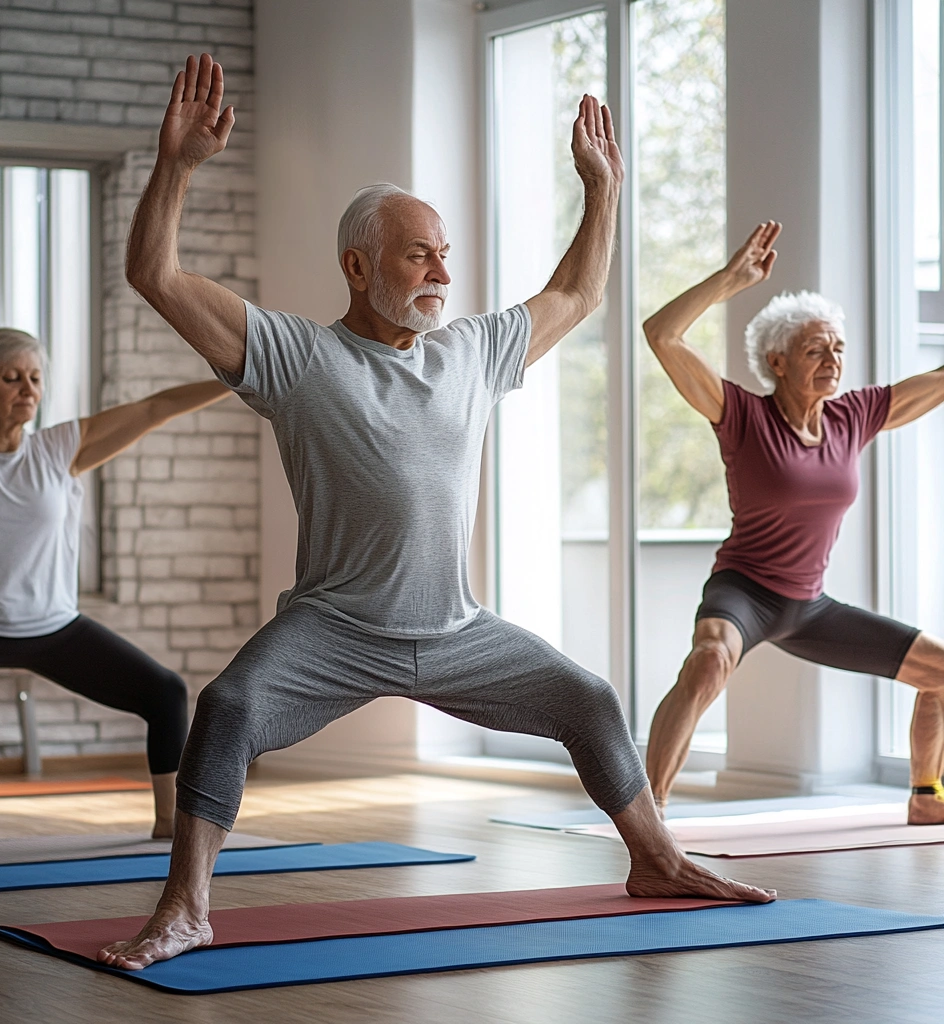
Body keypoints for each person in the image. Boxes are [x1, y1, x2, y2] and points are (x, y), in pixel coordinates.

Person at [98, 53, 773, 971]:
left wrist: (603, 189)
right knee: (227, 708)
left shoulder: (473, 352)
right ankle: (186, 909)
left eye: (444, 254)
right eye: (419, 253)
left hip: (456, 629)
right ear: (357, 263)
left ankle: (656, 860)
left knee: (589, 698)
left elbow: (580, 293)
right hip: (333, 629)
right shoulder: (292, 356)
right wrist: (175, 166)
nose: (440, 270)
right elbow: (155, 274)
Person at [643, 222, 944, 824]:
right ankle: (647, 816)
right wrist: (729, 281)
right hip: (744, 591)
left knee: (940, 672)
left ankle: (925, 798)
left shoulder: (852, 416)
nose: (832, 360)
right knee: (708, 661)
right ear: (777, 362)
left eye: (837, 348)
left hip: (809, 606)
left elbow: (936, 383)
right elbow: (662, 334)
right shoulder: (742, 415)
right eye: (815, 350)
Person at [0, 272, 231, 838]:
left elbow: (155, 407)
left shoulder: (60, 447)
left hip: (52, 626)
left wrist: (241, 376)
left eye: (35, 377)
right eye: (11, 377)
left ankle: (170, 825)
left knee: (165, 691)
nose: (28, 389)